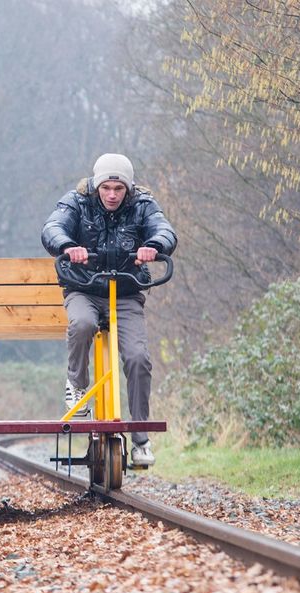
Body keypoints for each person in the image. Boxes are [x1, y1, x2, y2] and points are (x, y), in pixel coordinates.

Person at [41, 153, 176, 467]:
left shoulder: (142, 204)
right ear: (97, 186)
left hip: (126, 292)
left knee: (138, 358)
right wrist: (66, 246)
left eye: (118, 188)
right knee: (83, 323)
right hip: (84, 287)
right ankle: (76, 384)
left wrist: (154, 246)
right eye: (106, 188)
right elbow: (52, 228)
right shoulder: (77, 201)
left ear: (128, 188)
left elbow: (165, 230)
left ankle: (141, 437)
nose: (112, 194)